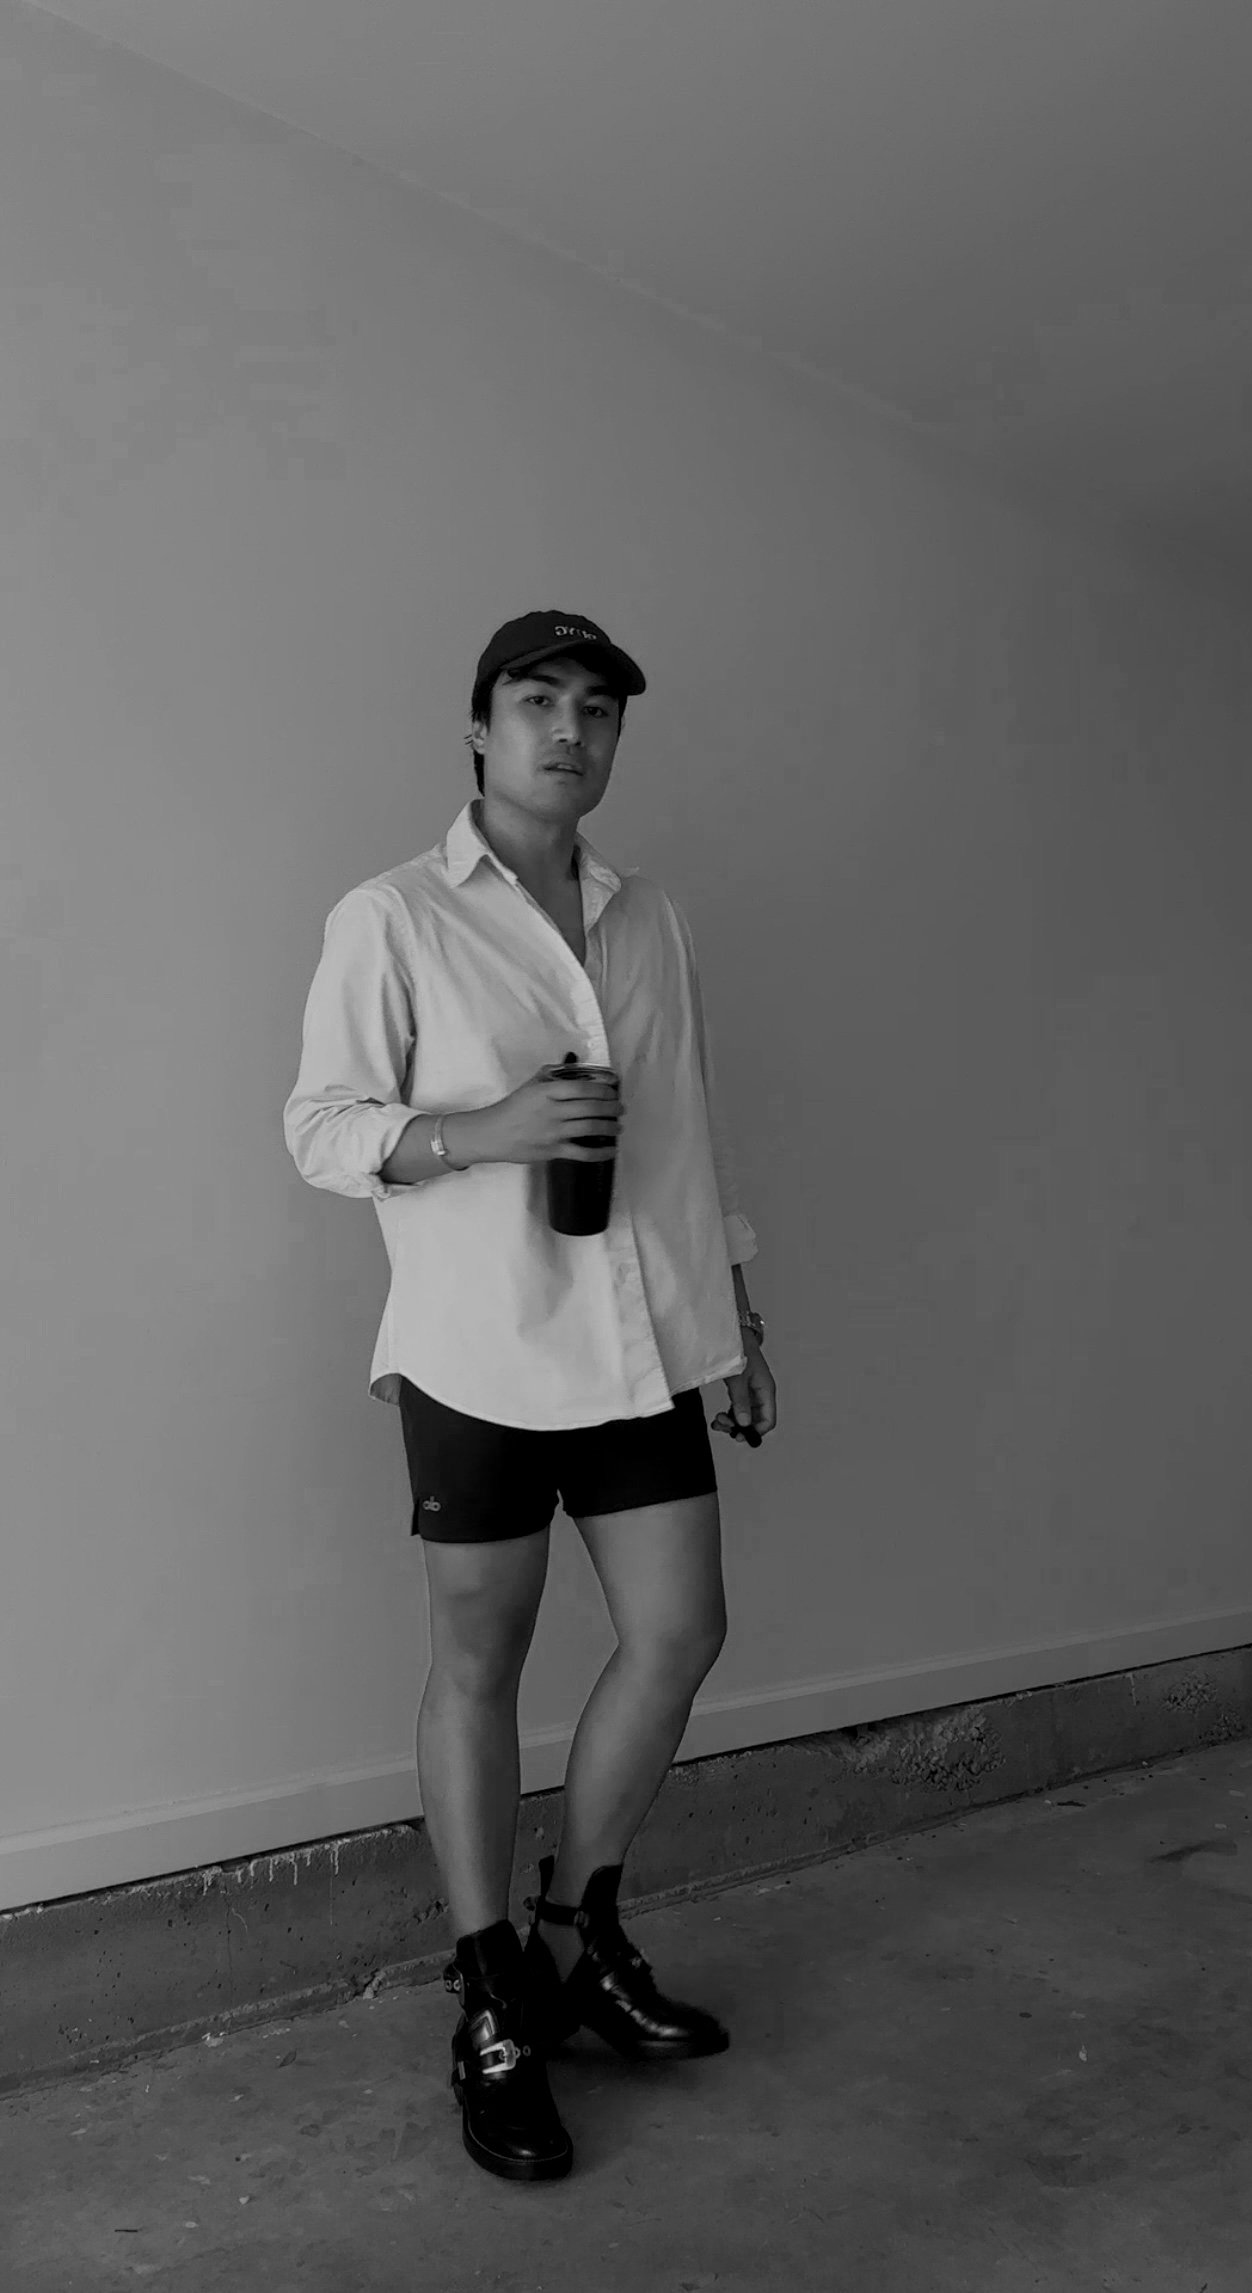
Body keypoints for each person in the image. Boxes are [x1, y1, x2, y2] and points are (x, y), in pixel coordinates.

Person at [283, 608, 777, 2183]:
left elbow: (685, 1122)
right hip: (479, 1351)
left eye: (598, 710)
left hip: (636, 1339)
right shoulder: (394, 913)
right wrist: (481, 1131)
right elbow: (319, 1125)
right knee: (478, 1665)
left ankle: (578, 1932)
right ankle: (490, 1989)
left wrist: (732, 1314)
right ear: (480, 730)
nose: (571, 730)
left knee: (679, 1630)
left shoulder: (648, 916)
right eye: (537, 701)